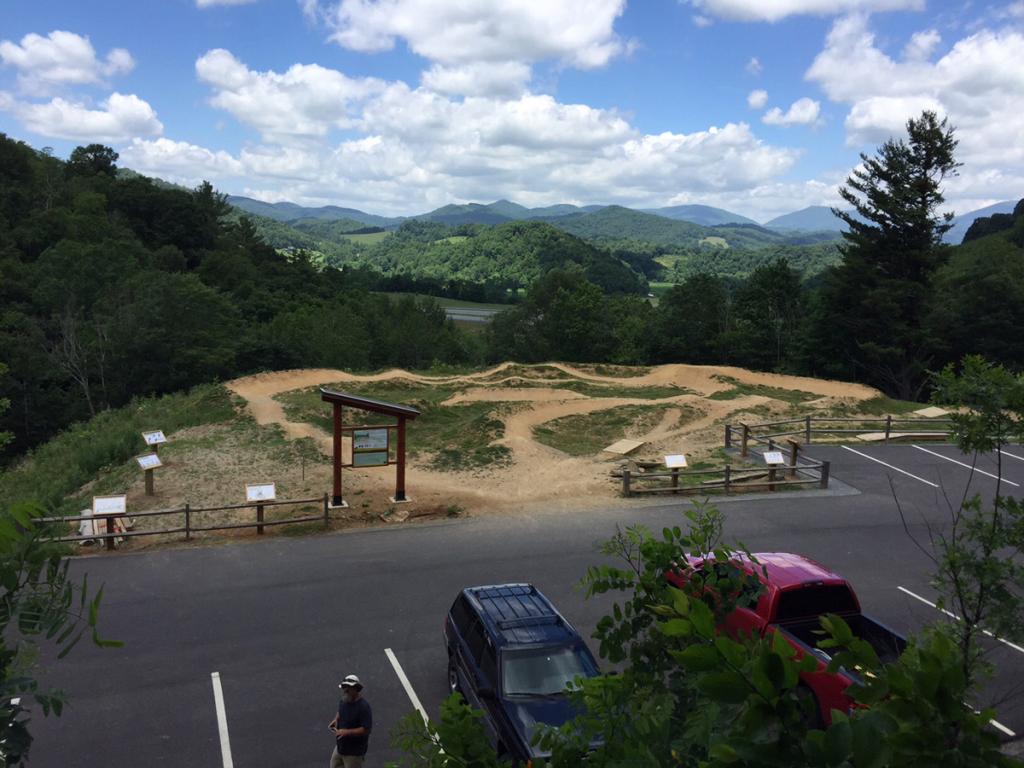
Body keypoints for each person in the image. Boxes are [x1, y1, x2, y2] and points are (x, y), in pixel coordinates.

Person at [328, 674, 372, 768]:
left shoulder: (363, 707)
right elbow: (340, 710)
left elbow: (366, 729)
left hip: (353, 753)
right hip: (340, 748)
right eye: (344, 688)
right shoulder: (344, 700)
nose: (345, 691)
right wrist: (336, 719)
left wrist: (346, 732)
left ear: (356, 689)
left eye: (348, 688)